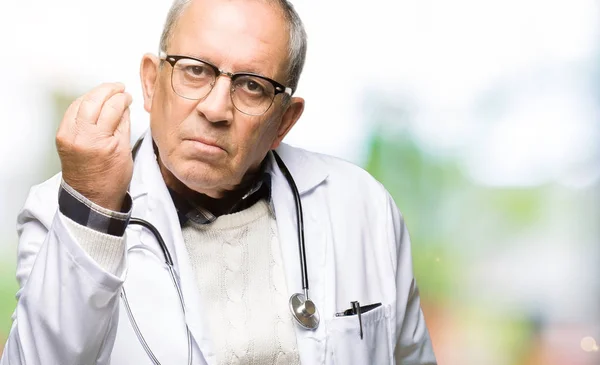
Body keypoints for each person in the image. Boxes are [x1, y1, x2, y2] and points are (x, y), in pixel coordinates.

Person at [1, 0, 437, 364]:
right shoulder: (65, 209)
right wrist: (94, 209)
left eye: (251, 86)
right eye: (195, 70)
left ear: (284, 120)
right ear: (152, 84)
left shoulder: (361, 206)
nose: (215, 108)